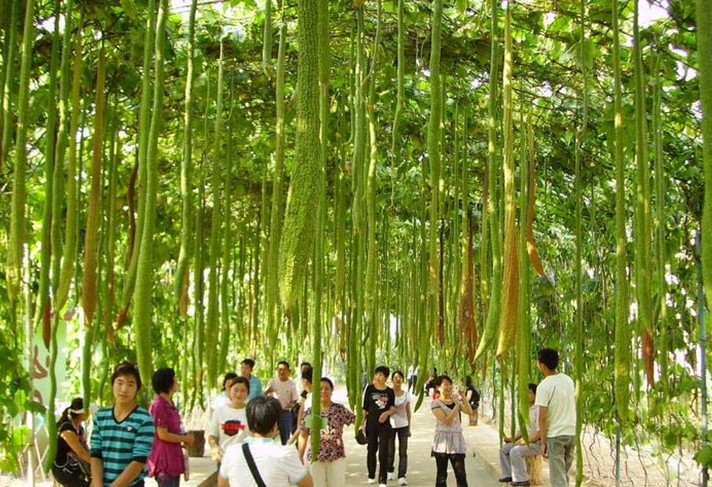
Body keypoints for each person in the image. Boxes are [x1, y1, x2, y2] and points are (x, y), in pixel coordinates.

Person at [218, 395, 313, 487]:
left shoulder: (232, 452)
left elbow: (222, 484)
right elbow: (308, 484)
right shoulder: (285, 454)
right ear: (275, 425)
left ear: (249, 423)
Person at [90, 362, 155, 487]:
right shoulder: (100, 416)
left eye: (130, 384)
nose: (124, 389)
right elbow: (96, 454)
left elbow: (139, 461)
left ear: (137, 389)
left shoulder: (144, 420)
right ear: (112, 384)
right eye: (120, 383)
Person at [298, 377, 355, 487]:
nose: (323, 391)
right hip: (316, 457)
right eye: (320, 389)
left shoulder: (339, 410)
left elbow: (355, 420)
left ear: (331, 391)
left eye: (327, 388)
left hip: (336, 456)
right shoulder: (311, 412)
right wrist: (300, 456)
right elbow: (303, 435)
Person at [535, 348, 576, 487]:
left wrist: (542, 442)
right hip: (571, 433)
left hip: (556, 435)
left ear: (543, 366)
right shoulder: (568, 380)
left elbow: (542, 417)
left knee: (558, 480)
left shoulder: (544, 386)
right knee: (564, 475)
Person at [147, 368, 195, 487]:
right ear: (168, 382)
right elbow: (162, 434)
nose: (177, 382)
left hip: (173, 457)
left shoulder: (170, 404)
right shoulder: (159, 405)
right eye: (174, 379)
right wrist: (185, 439)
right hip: (164, 460)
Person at [431, 375, 473, 487]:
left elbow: (469, 411)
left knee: (461, 475)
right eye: (446, 384)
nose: (449, 387)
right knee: (441, 476)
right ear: (438, 387)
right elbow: (446, 421)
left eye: (450, 384)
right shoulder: (435, 403)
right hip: (442, 442)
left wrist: (463, 397)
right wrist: (457, 406)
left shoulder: (455, 400)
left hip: (456, 441)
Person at [499, 383, 540, 487]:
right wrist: (512, 439)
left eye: (529, 393)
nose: (526, 395)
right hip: (527, 441)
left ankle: (522, 479)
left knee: (515, 451)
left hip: (537, 443)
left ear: (536, 395)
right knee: (504, 449)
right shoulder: (525, 409)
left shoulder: (539, 410)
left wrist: (526, 441)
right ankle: (508, 475)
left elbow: (540, 433)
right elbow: (523, 429)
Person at [361, 365, 396, 487]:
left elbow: (392, 407)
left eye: (381, 375)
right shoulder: (370, 389)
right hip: (371, 423)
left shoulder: (390, 391)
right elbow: (365, 408)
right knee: (371, 449)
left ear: (385, 378)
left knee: (383, 451)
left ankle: (383, 479)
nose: (378, 377)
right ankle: (371, 474)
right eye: (377, 374)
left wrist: (387, 413)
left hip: (384, 425)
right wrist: (362, 424)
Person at [209, 376, 251, 466]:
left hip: (245, 461)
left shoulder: (251, 412)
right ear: (229, 390)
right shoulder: (219, 411)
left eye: (243, 391)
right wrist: (215, 450)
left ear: (248, 393)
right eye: (236, 390)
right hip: (224, 460)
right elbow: (212, 436)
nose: (238, 394)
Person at [52, 397, 91, 487]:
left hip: (75, 466)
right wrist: (97, 465)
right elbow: (80, 452)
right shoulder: (67, 428)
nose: (89, 412)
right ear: (81, 413)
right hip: (63, 468)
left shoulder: (79, 429)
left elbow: (85, 449)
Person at [264, 361, 299, 444]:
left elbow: (295, 400)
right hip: (272, 413)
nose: (281, 372)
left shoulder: (291, 384)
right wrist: (267, 391)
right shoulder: (272, 381)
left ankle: (285, 449)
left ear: (288, 371)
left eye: (284, 369)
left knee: (285, 438)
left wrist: (289, 405)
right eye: (279, 369)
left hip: (285, 413)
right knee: (268, 437)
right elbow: (263, 395)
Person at [387, 370, 411, 486]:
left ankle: (402, 476)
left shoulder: (406, 394)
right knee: (390, 450)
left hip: (404, 426)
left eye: (400, 377)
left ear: (402, 380)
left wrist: (409, 427)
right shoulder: (388, 393)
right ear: (392, 379)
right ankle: (389, 470)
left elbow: (408, 412)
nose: (398, 379)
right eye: (396, 377)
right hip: (390, 425)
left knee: (403, 451)